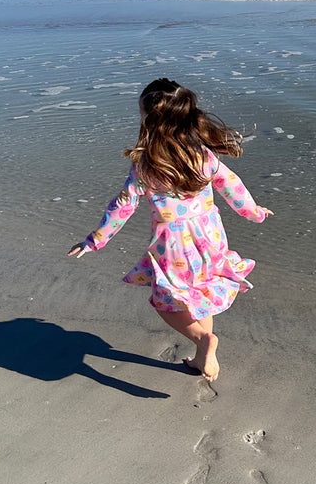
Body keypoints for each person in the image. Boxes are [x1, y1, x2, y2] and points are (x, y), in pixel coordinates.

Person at [67, 78, 272, 382]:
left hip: (172, 244)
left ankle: (203, 341)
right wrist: (253, 213)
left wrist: (95, 240)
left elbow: (123, 205)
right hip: (210, 235)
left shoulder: (146, 164)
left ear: (149, 120)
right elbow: (232, 185)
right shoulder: (202, 155)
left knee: (165, 303)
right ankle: (203, 352)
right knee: (200, 293)